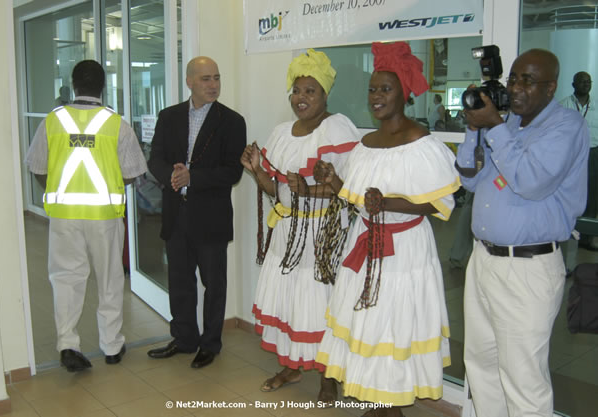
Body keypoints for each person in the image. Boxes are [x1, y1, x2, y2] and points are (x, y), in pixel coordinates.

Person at [314, 42, 459, 416]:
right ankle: (378, 397)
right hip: (365, 243)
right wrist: (334, 182)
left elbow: (440, 202)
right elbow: (358, 196)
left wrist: (388, 203)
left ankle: (391, 403)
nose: (376, 96)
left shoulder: (420, 142)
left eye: (386, 89)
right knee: (368, 320)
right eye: (373, 89)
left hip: (404, 249)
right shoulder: (366, 143)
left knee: (394, 323)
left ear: (404, 94)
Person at [457, 49, 589, 416]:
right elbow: (469, 178)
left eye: (527, 80)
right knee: (482, 365)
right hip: (482, 259)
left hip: (527, 268)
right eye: (513, 78)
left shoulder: (566, 126)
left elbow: (531, 181)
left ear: (551, 88)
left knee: (522, 377)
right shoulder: (507, 125)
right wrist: (474, 128)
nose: (516, 87)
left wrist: (495, 126)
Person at [240, 49, 360, 404]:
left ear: (325, 94)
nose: (301, 98)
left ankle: (328, 379)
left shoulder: (337, 128)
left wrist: (309, 190)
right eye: (297, 90)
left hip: (322, 237)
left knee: (320, 304)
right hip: (287, 237)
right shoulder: (280, 133)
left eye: (310, 91)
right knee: (290, 303)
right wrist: (256, 171)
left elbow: (348, 190)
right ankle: (293, 366)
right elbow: (275, 190)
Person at [25, 60, 147, 372]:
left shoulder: (53, 121)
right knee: (109, 279)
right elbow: (133, 172)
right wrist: (111, 184)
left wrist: (59, 188)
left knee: (66, 279)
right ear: (103, 86)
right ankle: (111, 346)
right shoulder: (116, 123)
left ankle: (67, 344)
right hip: (104, 216)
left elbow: (37, 166)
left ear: (73, 84)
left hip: (64, 216)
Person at [146, 56, 246, 369]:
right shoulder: (169, 116)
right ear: (189, 81)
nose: (213, 84)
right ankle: (185, 338)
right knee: (179, 280)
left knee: (214, 284)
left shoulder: (232, 121)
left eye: (216, 77)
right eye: (205, 78)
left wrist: (193, 177)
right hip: (177, 213)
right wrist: (172, 177)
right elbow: (156, 158)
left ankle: (210, 344)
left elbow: (232, 172)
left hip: (211, 215)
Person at [560, 71, 598, 250]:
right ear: (573, 84)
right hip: (570, 153)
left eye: (588, 81)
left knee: (592, 193)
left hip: (593, 154)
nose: (586, 84)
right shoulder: (563, 106)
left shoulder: (597, 105)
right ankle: (566, 230)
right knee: (568, 191)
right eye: (582, 81)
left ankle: (587, 238)